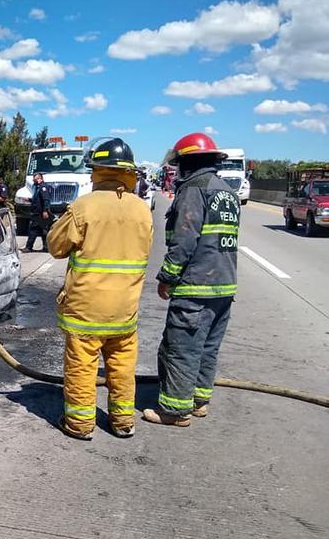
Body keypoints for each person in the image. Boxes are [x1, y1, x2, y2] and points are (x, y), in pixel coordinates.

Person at [47, 138, 153, 440]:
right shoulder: (142, 210)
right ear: (129, 173)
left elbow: (56, 246)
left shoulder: (84, 206)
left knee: (82, 366)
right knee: (121, 366)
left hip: (86, 308)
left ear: (97, 171)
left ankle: (80, 425)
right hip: (125, 309)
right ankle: (123, 423)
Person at [143, 133, 240, 426]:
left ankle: (174, 411)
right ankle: (198, 401)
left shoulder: (194, 191)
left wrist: (167, 277)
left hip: (195, 286)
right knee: (208, 347)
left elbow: (184, 240)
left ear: (188, 163)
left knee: (181, 348)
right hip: (224, 286)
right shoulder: (227, 192)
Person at [24, 172, 53, 252]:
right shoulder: (37, 187)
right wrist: (29, 200)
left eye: (36, 179)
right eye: (34, 179)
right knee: (42, 230)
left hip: (40, 213)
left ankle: (29, 247)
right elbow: (37, 200)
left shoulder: (43, 187)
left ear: (40, 179)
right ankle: (46, 247)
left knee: (33, 230)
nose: (34, 180)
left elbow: (46, 200)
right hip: (36, 212)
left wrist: (45, 210)